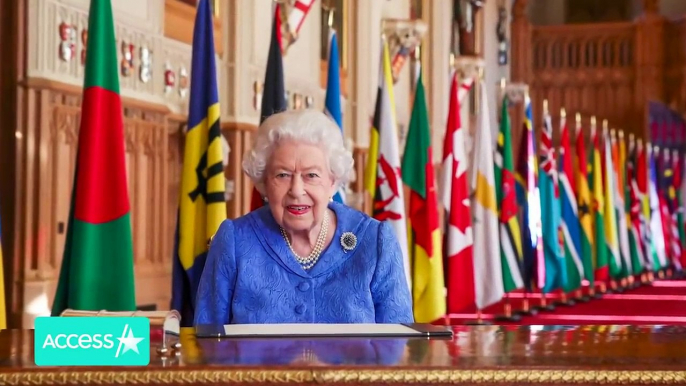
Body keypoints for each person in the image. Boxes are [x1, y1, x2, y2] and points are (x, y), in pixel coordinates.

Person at [193, 109, 414, 325]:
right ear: (264, 183)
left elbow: (400, 346)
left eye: (311, 175)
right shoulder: (235, 241)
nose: (297, 190)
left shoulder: (375, 242)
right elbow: (206, 343)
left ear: (332, 182)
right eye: (283, 175)